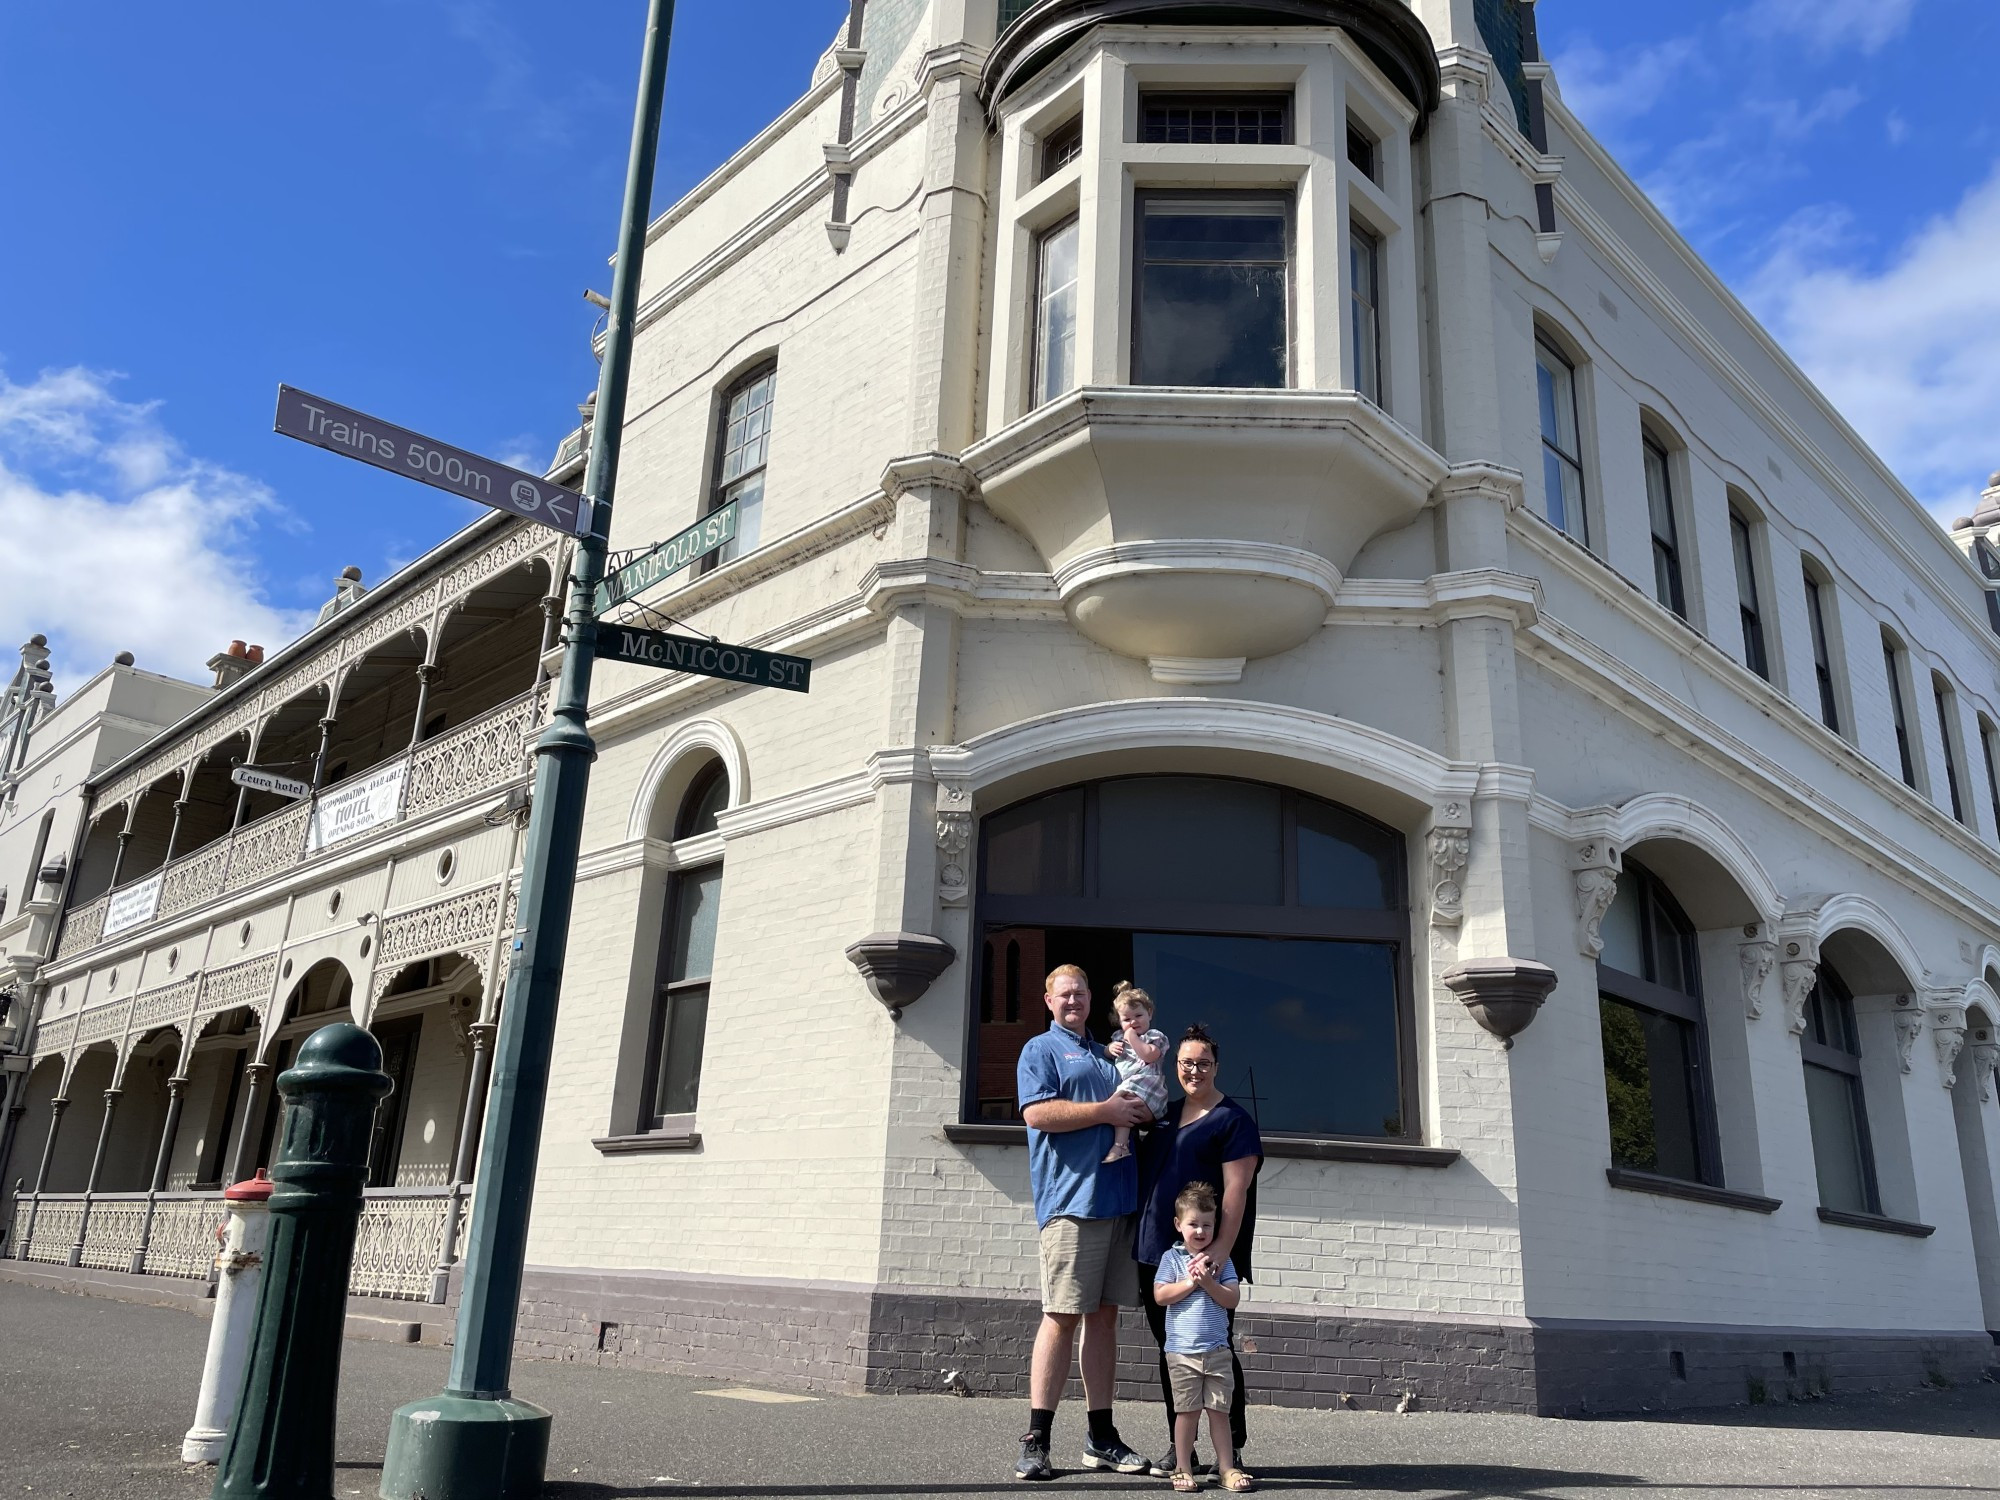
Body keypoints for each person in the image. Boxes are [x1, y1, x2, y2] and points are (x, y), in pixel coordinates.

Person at [1012, 963, 1157, 1482]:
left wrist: (1136, 1112)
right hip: (1072, 1205)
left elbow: (1129, 1103)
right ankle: (1037, 1438)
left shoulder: (1106, 1054)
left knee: (1104, 1318)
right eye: (1063, 994)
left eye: (1080, 993)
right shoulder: (1041, 1050)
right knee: (1062, 1315)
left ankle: (1101, 1438)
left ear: (1092, 998)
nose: (1073, 1000)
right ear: (1048, 1000)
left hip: (1119, 1205)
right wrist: (1107, 1112)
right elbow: (1037, 1115)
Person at [1136, 1024, 1262, 1475]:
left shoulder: (1233, 1121)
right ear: (1176, 1066)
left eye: (1203, 1063)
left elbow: (1236, 1192)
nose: (1194, 1070)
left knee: (1216, 1348)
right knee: (1175, 1349)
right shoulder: (1165, 1115)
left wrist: (1219, 1254)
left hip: (1209, 1257)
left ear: (1216, 1066)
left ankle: (1234, 1448)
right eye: (1186, 1062)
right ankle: (1181, 1449)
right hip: (1158, 1254)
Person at [1154, 1182, 1253, 1493]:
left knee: (1219, 1412)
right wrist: (1191, 1283)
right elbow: (1160, 1295)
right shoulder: (1172, 1259)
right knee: (1186, 1412)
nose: (1200, 1231)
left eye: (1207, 1225)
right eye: (1193, 1224)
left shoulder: (1221, 1261)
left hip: (1217, 1351)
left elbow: (1232, 1298)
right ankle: (1183, 1466)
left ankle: (1226, 1467)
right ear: (1178, 1225)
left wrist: (1209, 1282)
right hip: (1182, 1354)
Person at [1102, 982, 1168, 1163]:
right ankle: (1123, 1146)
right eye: (1126, 1019)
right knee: (1119, 1106)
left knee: (1121, 1105)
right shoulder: (1118, 1037)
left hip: (1148, 1087)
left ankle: (1120, 1146)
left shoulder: (1155, 1036)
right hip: (1130, 1088)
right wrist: (1109, 1048)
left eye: (1138, 1015)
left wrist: (1132, 1038)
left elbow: (1149, 1055)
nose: (1133, 1022)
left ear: (1150, 1013)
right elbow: (1106, 1053)